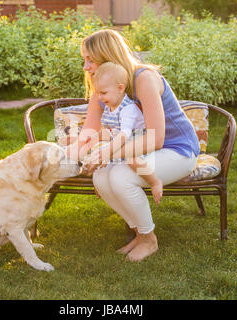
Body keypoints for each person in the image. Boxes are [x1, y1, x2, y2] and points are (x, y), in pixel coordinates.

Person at [66, 29, 200, 262]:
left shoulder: (143, 78)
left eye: (90, 59)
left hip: (177, 150)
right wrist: (65, 159)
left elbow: (155, 138)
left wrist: (106, 152)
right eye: (84, 60)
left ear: (107, 56)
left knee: (120, 176)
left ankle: (149, 240)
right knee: (100, 177)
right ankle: (140, 234)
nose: (85, 67)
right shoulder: (103, 85)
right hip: (143, 152)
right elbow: (88, 131)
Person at [81, 61, 164, 205]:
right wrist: (96, 138)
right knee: (97, 155)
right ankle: (100, 184)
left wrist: (108, 150)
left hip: (136, 140)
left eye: (103, 93)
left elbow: (125, 133)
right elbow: (110, 129)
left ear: (120, 88)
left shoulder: (128, 109)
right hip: (120, 139)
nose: (100, 98)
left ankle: (154, 181)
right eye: (98, 93)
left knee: (131, 159)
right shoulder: (110, 104)